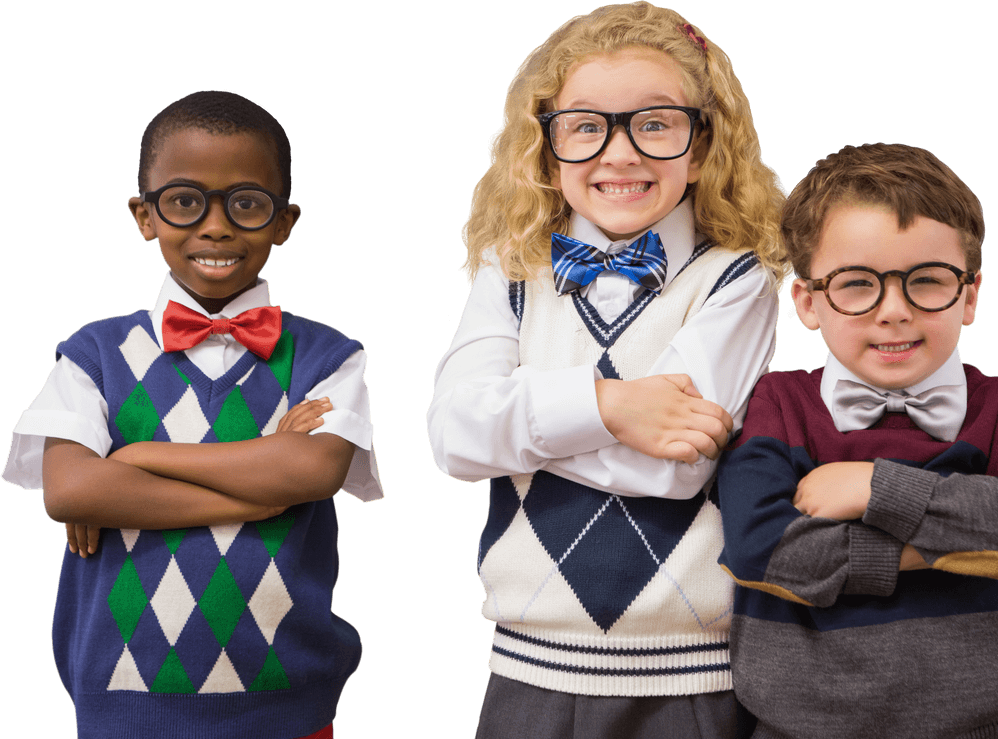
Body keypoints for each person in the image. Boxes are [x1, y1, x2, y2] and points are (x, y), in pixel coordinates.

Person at [427, 3, 785, 736]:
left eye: (655, 123)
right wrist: (613, 408)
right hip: (528, 669)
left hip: (692, 677)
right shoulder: (512, 270)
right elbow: (454, 438)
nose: (619, 154)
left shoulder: (736, 280)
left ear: (702, 141)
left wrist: (519, 421)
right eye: (586, 126)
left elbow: (676, 467)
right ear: (547, 144)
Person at [2, 90, 382, 739]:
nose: (215, 226)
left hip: (288, 711)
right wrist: (258, 492)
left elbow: (311, 468)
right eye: (184, 201)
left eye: (246, 203)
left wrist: (137, 458)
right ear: (144, 215)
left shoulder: (326, 357)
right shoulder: (93, 355)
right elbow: (71, 488)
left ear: (284, 221)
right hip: (123, 710)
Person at [716, 142, 998, 738]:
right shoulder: (774, 404)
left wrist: (876, 488)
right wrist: (968, 547)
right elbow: (764, 551)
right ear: (807, 301)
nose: (894, 311)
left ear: (970, 295)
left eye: (927, 281)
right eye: (857, 284)